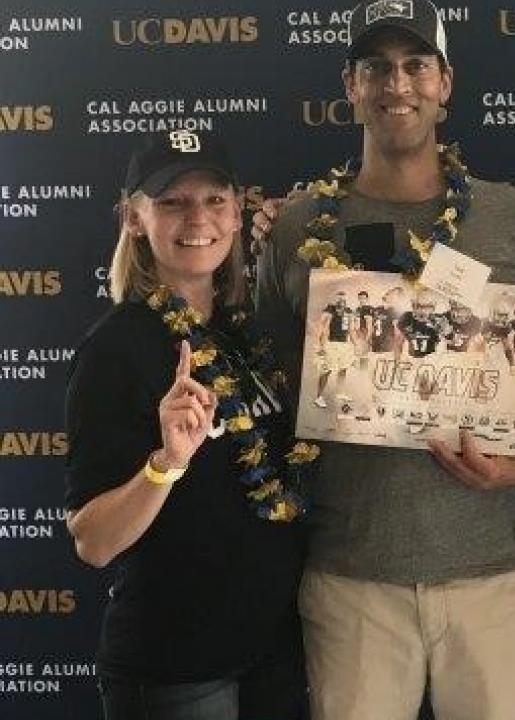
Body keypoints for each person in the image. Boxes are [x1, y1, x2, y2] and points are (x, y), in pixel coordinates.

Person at [254, 1, 515, 719]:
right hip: (350, 577)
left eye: (415, 64)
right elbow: (270, 371)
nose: (398, 83)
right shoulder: (301, 226)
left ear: (444, 82)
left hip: (488, 574)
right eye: (377, 67)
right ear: (351, 86)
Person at [64, 130, 308, 720]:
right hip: (178, 667)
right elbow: (93, 541)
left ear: (236, 212)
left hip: (276, 654)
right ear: (134, 219)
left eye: (214, 199)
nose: (197, 218)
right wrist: (166, 463)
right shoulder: (118, 348)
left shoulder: (247, 332)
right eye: (172, 201)